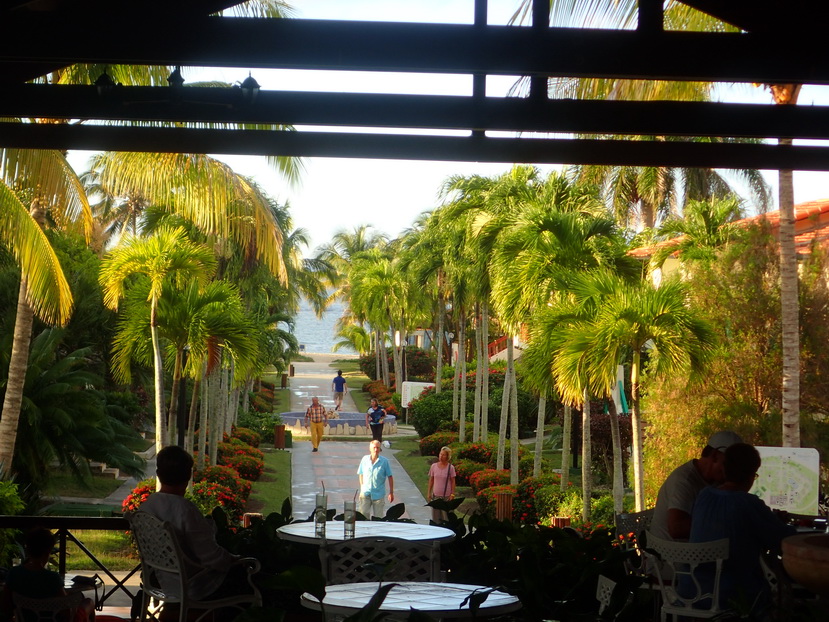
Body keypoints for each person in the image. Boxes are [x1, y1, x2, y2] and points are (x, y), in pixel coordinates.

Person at [687, 443, 796, 614]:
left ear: (724, 469)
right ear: (751, 476)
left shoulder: (704, 496)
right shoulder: (749, 504)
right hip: (736, 595)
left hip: (693, 590)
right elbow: (782, 540)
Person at [138, 446, 253, 602]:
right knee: (251, 578)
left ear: (158, 474)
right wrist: (235, 560)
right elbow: (210, 557)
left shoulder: (147, 507)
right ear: (189, 475)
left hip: (162, 581)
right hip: (195, 586)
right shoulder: (185, 510)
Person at [651, 430, 743, 541]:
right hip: (673, 549)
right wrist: (722, 524)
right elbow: (676, 528)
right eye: (729, 464)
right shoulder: (684, 480)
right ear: (714, 456)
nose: (732, 470)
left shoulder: (716, 480)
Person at [0, 527, 95, 622]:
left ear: (27, 549)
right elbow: (66, 611)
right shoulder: (53, 578)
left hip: (25, 618)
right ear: (48, 552)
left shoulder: (14, 573)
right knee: (89, 602)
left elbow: (6, 606)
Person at [357, 440, 395, 519]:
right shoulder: (365, 459)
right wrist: (362, 487)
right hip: (366, 493)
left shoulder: (384, 461)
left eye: (378, 448)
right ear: (370, 449)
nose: (376, 450)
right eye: (374, 447)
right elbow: (360, 473)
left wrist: (391, 492)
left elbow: (390, 476)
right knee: (363, 516)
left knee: (378, 518)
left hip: (378, 494)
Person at [427, 446, 456, 523]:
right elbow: (431, 480)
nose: (441, 456)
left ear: (447, 456)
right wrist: (429, 493)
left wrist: (452, 494)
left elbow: (453, 481)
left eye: (443, 455)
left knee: (446, 518)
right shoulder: (434, 466)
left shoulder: (451, 468)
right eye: (440, 454)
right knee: (436, 519)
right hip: (436, 497)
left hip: (446, 497)